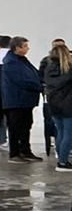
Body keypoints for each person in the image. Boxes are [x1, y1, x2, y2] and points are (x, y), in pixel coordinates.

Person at [1, 36, 43, 161]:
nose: (28, 48)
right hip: (16, 100)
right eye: (25, 46)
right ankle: (14, 153)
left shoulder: (22, 59)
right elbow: (22, 80)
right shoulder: (11, 62)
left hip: (25, 100)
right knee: (15, 127)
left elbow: (34, 74)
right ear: (17, 47)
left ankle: (25, 150)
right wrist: (39, 86)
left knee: (26, 126)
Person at [43, 40, 72, 172]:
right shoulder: (69, 69)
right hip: (68, 104)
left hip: (53, 104)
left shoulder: (48, 69)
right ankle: (63, 162)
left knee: (60, 132)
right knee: (68, 134)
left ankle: (61, 159)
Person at [42, 39, 66, 157]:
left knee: (61, 129)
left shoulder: (50, 66)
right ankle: (62, 156)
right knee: (62, 129)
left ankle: (61, 153)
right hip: (59, 100)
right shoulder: (47, 62)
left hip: (55, 99)